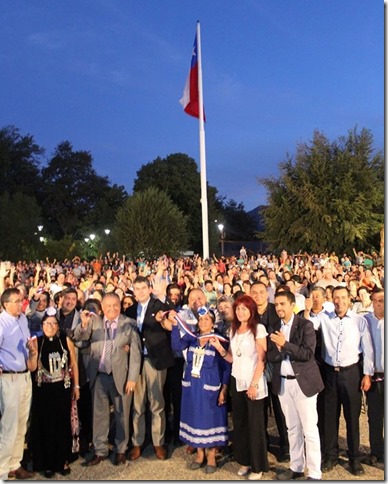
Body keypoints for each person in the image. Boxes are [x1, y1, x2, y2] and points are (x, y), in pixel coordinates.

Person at [74, 292, 142, 466]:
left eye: (115, 305)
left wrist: (132, 378)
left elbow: (135, 354)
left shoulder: (129, 324)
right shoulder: (94, 322)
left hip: (121, 376)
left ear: (120, 306)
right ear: (102, 308)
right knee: (99, 415)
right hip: (99, 375)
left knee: (122, 414)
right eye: (108, 306)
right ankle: (100, 450)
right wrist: (83, 324)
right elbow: (79, 339)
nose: (112, 309)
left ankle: (120, 449)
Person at [313, 286, 374, 476]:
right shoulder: (324, 318)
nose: (339, 301)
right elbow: (309, 324)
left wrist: (367, 374)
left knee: (352, 418)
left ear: (349, 299)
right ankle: (331, 455)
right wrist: (311, 306)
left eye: (343, 297)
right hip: (330, 373)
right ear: (332, 299)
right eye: (336, 298)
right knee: (329, 417)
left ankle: (354, 457)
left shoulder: (359, 321)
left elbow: (368, 348)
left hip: (351, 374)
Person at [267, 291, 323, 481]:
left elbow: (308, 353)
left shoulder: (305, 325)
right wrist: (279, 351)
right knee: (292, 427)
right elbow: (271, 356)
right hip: (283, 382)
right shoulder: (275, 327)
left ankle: (315, 472)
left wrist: (286, 344)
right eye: (276, 305)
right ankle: (297, 466)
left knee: (309, 429)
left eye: (283, 304)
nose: (279, 308)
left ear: (292, 305)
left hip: (303, 383)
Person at [212, 294, 269, 480]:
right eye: (237, 309)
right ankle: (244, 461)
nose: (240, 312)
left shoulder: (258, 329)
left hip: (253, 383)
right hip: (238, 381)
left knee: (255, 426)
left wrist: (253, 385)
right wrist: (219, 349)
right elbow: (231, 357)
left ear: (251, 310)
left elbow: (262, 360)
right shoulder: (234, 330)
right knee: (241, 424)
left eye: (244, 308)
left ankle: (258, 466)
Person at [170, 308, 231, 474]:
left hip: (210, 388)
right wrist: (175, 326)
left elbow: (226, 367)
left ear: (213, 322)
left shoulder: (219, 340)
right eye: (201, 319)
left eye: (206, 319)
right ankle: (199, 454)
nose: (203, 322)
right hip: (192, 387)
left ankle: (211, 456)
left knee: (211, 421)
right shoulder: (193, 339)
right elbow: (176, 345)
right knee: (195, 419)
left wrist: (224, 388)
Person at [29, 307, 80, 478]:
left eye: (53, 323)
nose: (50, 326)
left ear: (58, 326)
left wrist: (77, 386)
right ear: (42, 324)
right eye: (46, 323)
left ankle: (62, 459)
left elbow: (73, 364)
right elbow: (33, 367)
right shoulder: (38, 341)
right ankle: (46, 462)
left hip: (62, 388)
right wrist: (33, 353)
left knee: (61, 424)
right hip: (43, 390)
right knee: (45, 425)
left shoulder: (66, 340)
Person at [128, 276, 174, 461]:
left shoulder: (159, 306)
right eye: (136, 288)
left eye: (143, 288)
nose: (139, 291)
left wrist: (163, 321)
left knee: (157, 403)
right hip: (136, 362)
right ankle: (137, 443)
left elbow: (169, 325)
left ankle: (158, 442)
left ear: (149, 289)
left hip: (156, 360)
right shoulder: (130, 309)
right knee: (137, 405)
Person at [0, 287, 38, 480]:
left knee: (22, 423)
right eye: (16, 301)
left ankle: (15, 463)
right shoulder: (1, 323)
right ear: (6, 304)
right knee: (9, 426)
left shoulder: (23, 319)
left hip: (25, 375)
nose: (20, 303)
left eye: (21, 300)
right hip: (9, 378)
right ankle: (2, 470)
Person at [249, 282, 289, 463]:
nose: (258, 296)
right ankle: (261, 444)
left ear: (267, 294)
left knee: (279, 407)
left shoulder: (276, 311)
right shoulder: (248, 312)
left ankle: (286, 446)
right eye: (254, 293)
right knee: (260, 408)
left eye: (261, 292)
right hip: (256, 365)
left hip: (276, 362)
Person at [363, 288, 384, 466]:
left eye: (383, 300)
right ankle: (376, 451)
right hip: (375, 375)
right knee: (375, 416)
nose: (380, 303)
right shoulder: (365, 321)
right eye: (376, 300)